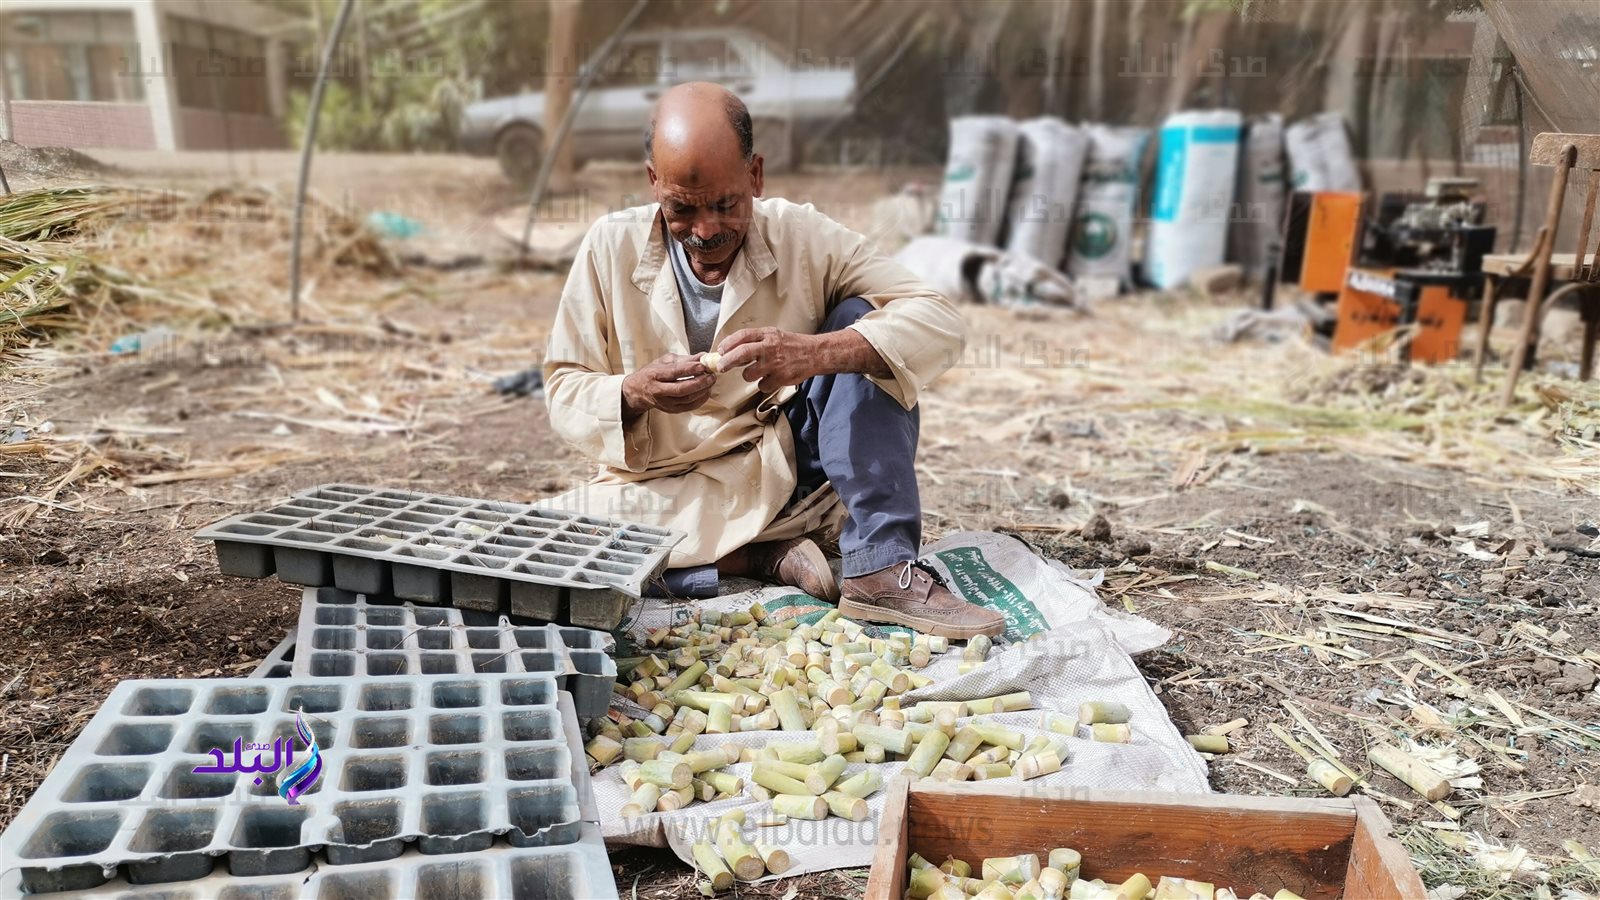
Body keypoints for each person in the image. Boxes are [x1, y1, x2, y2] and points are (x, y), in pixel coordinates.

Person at [540, 82, 1003, 639]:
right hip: (665, 485)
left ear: (755, 175)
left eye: (726, 204)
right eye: (682, 208)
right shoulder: (608, 246)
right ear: (652, 183)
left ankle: (881, 570)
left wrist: (815, 353)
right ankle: (759, 559)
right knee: (556, 545)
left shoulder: (803, 236)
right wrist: (632, 392)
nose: (706, 230)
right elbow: (564, 386)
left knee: (861, 320)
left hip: (787, 473)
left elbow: (940, 319)